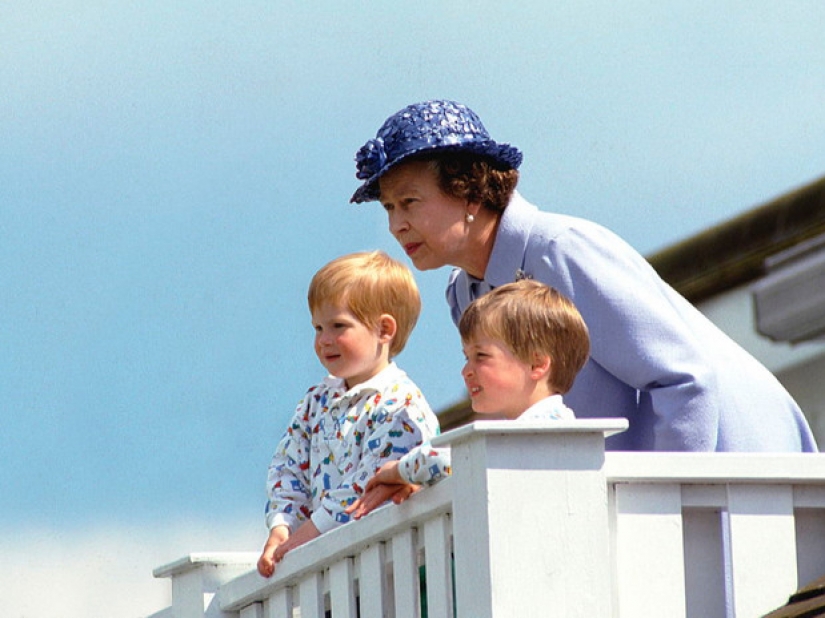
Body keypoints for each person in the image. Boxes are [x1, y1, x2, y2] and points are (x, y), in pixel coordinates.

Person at [350, 99, 817, 452]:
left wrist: (659, 513)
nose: (396, 225)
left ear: (469, 190)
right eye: (389, 207)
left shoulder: (561, 249)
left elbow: (684, 379)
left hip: (744, 479)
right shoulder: (464, 291)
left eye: (409, 202)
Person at [256, 250, 440, 577]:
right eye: (317, 328)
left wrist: (305, 537)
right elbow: (288, 464)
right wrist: (282, 527)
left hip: (390, 567)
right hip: (330, 570)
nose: (324, 340)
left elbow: (368, 484)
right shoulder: (317, 400)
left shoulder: (401, 405)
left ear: (385, 330)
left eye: (338, 326)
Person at [348, 278, 590, 518]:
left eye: (481, 356)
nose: (466, 371)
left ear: (537, 364)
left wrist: (397, 471)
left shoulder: (544, 428)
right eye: (467, 358)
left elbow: (450, 458)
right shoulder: (530, 430)